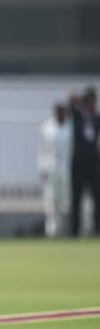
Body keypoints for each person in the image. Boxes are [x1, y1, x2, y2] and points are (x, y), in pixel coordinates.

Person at [68, 88, 99, 236]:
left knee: (96, 197)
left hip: (93, 162)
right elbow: (70, 101)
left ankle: (97, 228)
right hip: (78, 163)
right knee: (76, 198)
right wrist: (81, 101)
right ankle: (75, 230)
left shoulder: (97, 118)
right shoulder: (78, 116)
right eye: (91, 100)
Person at [39, 103, 72, 237]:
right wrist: (42, 168)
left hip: (66, 168)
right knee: (51, 198)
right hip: (51, 167)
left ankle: (69, 228)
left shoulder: (70, 128)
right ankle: (52, 229)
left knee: (66, 200)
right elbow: (42, 150)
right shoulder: (46, 128)